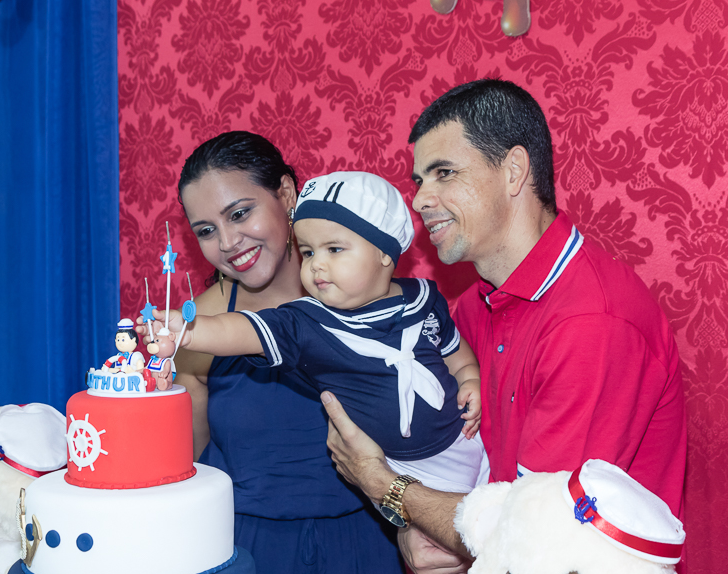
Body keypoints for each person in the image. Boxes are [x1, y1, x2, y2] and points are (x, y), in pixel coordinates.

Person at [321, 79, 687, 574]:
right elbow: (458, 471)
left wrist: (383, 485)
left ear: (513, 170)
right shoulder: (471, 308)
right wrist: (411, 523)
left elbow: (534, 539)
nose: (422, 199)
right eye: (418, 181)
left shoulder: (591, 322)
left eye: (443, 173)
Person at [166, 132, 406, 574]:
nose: (228, 242)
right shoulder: (198, 328)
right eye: (206, 230)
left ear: (286, 194)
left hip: (367, 544)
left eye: (240, 213)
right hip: (245, 550)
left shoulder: (367, 294)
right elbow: (190, 466)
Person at [168, 170, 489, 497]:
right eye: (308, 252)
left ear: (384, 252)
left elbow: (455, 354)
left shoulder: (424, 298)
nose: (317, 265)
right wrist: (189, 331)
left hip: (467, 444)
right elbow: (242, 328)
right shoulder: (309, 321)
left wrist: (470, 380)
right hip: (404, 474)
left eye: (334, 249)